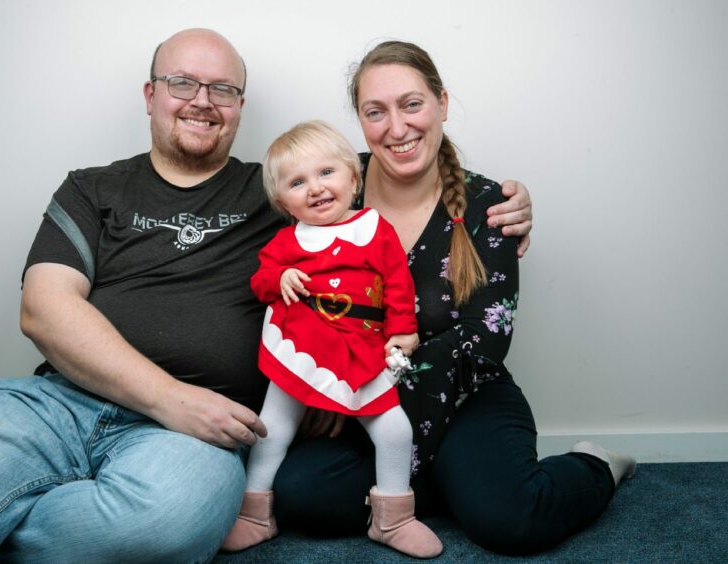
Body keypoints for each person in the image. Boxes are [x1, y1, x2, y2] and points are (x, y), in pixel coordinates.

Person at [0, 29, 532, 563]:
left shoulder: (284, 190)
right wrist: (169, 396)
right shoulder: (92, 187)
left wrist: (507, 210)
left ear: (241, 105)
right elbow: (42, 308)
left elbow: (387, 195)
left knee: (172, 525)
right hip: (60, 402)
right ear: (150, 94)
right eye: (182, 84)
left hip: (192, 434)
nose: (202, 100)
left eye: (223, 88)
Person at [272, 40, 636, 556]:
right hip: (361, 408)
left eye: (412, 104)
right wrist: (324, 383)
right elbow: (291, 287)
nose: (396, 129)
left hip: (466, 395)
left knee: (512, 520)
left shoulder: (490, 205)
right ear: (360, 120)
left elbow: (484, 339)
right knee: (299, 494)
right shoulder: (329, 183)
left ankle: (593, 464)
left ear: (442, 103)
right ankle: (450, 484)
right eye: (376, 112)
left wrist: (356, 380)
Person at [222, 120, 441, 558]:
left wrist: (402, 331)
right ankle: (253, 514)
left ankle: (393, 518)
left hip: (362, 352)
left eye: (326, 173)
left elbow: (399, 284)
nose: (316, 188)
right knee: (274, 428)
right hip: (301, 346)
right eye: (298, 182)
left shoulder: (375, 230)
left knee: (394, 429)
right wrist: (279, 276)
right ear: (282, 200)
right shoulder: (288, 241)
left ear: (353, 177)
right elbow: (260, 282)